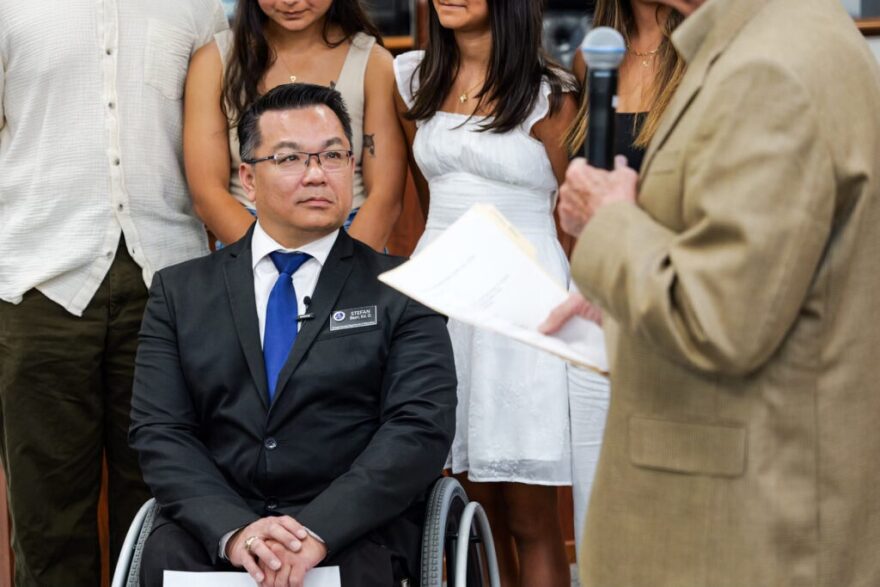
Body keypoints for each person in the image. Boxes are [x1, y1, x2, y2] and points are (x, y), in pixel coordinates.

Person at [541, 0, 880, 585]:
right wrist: (616, 304)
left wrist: (610, 220)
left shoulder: (769, 69)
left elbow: (720, 318)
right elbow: (766, 277)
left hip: (738, 528)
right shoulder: (766, 41)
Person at [130, 83, 457, 587]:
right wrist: (236, 532)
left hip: (353, 531)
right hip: (218, 529)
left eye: (332, 155)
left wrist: (316, 531)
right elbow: (161, 432)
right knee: (166, 557)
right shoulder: (180, 293)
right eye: (289, 159)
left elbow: (418, 430)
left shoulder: (404, 288)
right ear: (248, 178)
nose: (316, 174)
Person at [0, 1, 227, 584]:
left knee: (162, 503)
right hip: (35, 282)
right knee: (46, 514)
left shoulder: (198, 9)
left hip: (169, 282)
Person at [394, 1, 578, 584]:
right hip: (442, 292)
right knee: (468, 510)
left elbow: (577, 211)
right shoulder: (414, 77)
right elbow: (425, 196)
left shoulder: (553, 92)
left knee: (531, 512)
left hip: (523, 297)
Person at [563, 0, 685, 554]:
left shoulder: (703, 56)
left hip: (667, 284)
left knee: (669, 473)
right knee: (594, 473)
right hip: (592, 290)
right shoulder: (596, 56)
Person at [184, 0, 407, 251]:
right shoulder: (215, 61)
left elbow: (385, 196)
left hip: (350, 238)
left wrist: (342, 271)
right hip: (248, 236)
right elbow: (207, 192)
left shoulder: (374, 62)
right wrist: (269, 259)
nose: (290, 2)